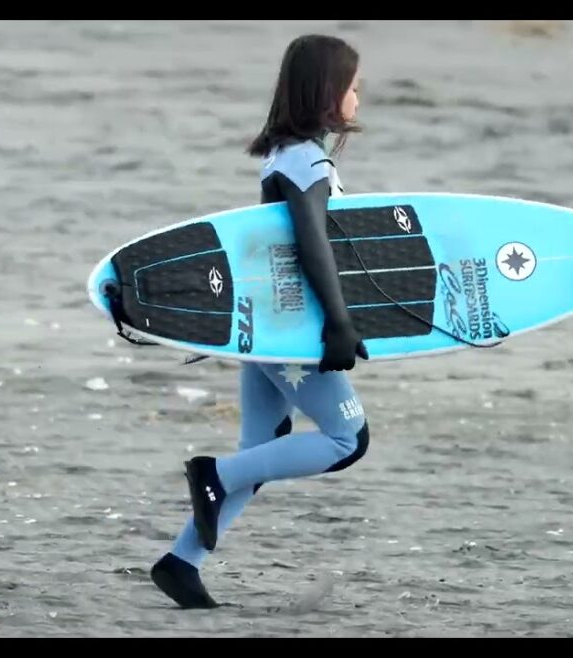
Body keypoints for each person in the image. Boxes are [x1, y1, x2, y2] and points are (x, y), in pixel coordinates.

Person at [148, 34, 372, 609]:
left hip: (265, 318)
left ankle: (181, 562)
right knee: (347, 440)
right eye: (352, 85)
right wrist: (339, 322)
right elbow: (311, 241)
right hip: (293, 326)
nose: (358, 94)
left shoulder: (285, 153)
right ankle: (213, 473)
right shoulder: (308, 161)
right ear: (328, 93)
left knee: (265, 444)